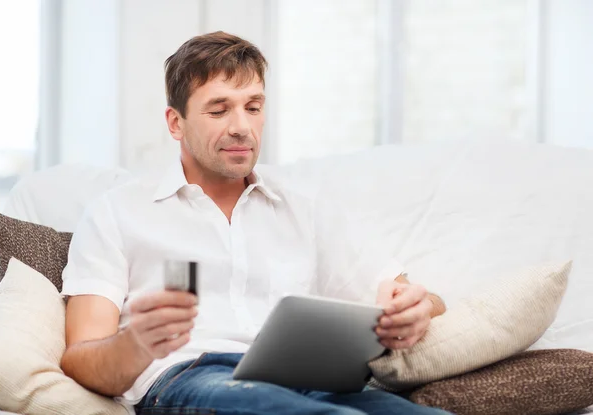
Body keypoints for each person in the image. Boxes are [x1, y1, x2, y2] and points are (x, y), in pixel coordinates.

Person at [60, 31, 449, 415]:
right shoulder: (118, 212)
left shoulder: (304, 208)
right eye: (218, 109)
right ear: (175, 123)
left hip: (308, 381)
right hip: (191, 378)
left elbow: (418, 298)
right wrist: (136, 343)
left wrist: (418, 308)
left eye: (253, 106)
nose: (241, 127)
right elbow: (80, 360)